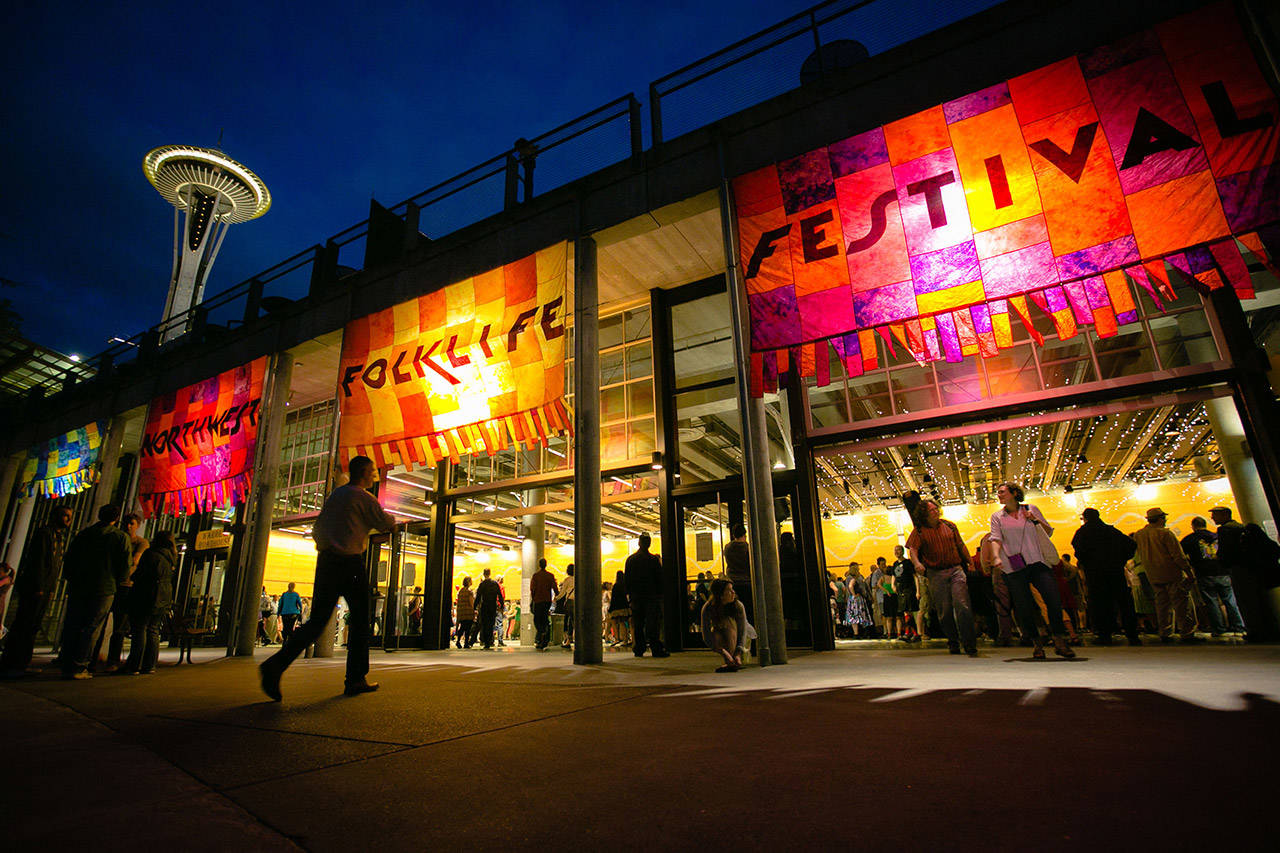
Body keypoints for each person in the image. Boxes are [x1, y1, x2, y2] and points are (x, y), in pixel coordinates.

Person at [259, 455, 396, 701]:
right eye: (372, 470)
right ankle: (355, 678)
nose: (375, 474)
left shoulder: (336, 497)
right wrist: (391, 524)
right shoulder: (364, 498)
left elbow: (317, 530)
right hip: (351, 562)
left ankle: (276, 665)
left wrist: (327, 546)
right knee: (361, 620)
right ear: (363, 473)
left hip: (327, 561)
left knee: (317, 620)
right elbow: (385, 522)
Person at [988, 483, 1075, 660]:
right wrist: (996, 557)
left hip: (1038, 562)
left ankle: (1059, 640)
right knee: (1024, 606)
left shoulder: (1031, 508)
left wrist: (1034, 519)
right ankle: (1037, 644)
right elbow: (995, 539)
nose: (999, 495)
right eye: (998, 493)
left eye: (1002, 492)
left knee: (1053, 600)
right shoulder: (997, 516)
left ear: (1014, 493)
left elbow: (1048, 532)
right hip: (1014, 566)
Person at [59, 504, 131, 679]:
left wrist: (71, 578)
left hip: (79, 585)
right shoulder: (120, 538)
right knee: (92, 627)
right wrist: (120, 580)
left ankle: (67, 663)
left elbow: (69, 559)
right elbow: (124, 566)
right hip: (104, 587)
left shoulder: (84, 534)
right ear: (116, 518)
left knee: (74, 624)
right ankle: (80, 665)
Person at [1, 505, 73, 677]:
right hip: (37, 587)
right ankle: (14, 663)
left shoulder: (58, 537)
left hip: (46, 586)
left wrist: (51, 588)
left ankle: (19, 662)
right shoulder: (45, 534)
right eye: (64, 515)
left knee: (32, 626)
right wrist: (39, 586)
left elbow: (54, 564)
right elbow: (38, 561)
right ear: (55, 516)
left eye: (69, 516)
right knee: (25, 624)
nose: (68, 520)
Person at [904, 492, 977, 657]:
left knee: (963, 605)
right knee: (944, 610)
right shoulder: (920, 532)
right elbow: (913, 550)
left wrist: (970, 562)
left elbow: (961, 545)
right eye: (931, 510)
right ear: (924, 514)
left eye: (936, 508)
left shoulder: (950, 526)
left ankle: (969, 643)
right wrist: (917, 563)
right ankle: (953, 641)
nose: (935, 511)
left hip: (956, 569)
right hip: (936, 574)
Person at [1131, 507, 1201, 644]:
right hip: (1171, 572)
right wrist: (1188, 571)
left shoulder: (1139, 535)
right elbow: (1178, 555)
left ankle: (1165, 631)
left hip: (1152, 574)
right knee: (1181, 603)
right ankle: (1187, 632)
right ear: (1161, 519)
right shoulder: (1165, 534)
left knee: (1162, 604)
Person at [1071, 507, 1140, 646]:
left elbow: (1078, 552)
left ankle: (1104, 634)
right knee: (1124, 603)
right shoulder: (1111, 531)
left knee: (1100, 604)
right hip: (1115, 570)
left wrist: (1087, 563)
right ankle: (1132, 633)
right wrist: (1121, 560)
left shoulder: (1082, 533)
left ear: (1085, 518)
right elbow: (1131, 545)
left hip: (1095, 573)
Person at [1210, 506, 1278, 642]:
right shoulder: (1241, 527)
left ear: (1224, 515)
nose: (1212, 518)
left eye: (1215, 515)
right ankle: (1268, 629)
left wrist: (1220, 561)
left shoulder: (1225, 530)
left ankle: (1255, 631)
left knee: (1246, 601)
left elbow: (1226, 553)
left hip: (1239, 570)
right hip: (1253, 569)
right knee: (1257, 600)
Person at [123, 530, 177, 675]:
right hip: (163, 597)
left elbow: (141, 574)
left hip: (147, 594)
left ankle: (134, 664)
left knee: (140, 629)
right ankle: (150, 664)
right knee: (153, 630)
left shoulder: (151, 554)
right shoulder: (171, 557)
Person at [1180, 516, 1244, 636]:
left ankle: (1219, 628)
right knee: (1230, 600)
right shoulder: (1217, 536)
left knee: (1211, 602)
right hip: (1223, 572)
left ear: (1193, 526)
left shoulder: (1190, 539)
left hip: (1204, 573)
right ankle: (1238, 626)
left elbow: (1181, 555)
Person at [100, 513, 146, 672]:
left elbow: (135, 561)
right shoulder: (116, 539)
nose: (128, 526)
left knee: (119, 626)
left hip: (125, 586)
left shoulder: (141, 543)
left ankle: (113, 660)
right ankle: (97, 657)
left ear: (138, 525)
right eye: (126, 523)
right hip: (113, 584)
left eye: (132, 523)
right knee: (102, 623)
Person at [625, 532, 668, 657]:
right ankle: (655, 648)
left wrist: (629, 596)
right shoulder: (653, 560)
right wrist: (660, 595)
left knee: (638, 623)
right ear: (649, 543)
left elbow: (627, 580)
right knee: (652, 623)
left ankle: (639, 648)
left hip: (637, 597)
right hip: (651, 597)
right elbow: (659, 579)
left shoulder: (631, 560)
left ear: (639, 543)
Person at [701, 579, 747, 672]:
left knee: (728, 626)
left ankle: (732, 661)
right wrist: (722, 651)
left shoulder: (737, 605)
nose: (733, 592)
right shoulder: (708, 607)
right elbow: (706, 635)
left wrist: (738, 653)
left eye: (732, 589)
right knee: (718, 630)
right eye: (729, 590)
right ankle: (729, 661)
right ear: (721, 595)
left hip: (737, 634)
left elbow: (743, 630)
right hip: (720, 632)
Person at [722, 523, 752, 623]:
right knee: (748, 611)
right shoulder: (747, 548)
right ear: (744, 534)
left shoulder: (727, 548)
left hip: (732, 583)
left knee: (735, 612)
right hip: (746, 582)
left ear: (734, 535)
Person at [891, 545, 921, 643]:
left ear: (902, 551)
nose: (896, 552)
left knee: (909, 611)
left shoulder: (908, 563)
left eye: (898, 550)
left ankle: (914, 633)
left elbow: (915, 577)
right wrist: (893, 585)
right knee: (905, 612)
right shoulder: (895, 564)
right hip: (900, 590)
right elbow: (893, 576)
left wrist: (918, 591)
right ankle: (909, 633)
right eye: (895, 550)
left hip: (909, 589)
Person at [530, 558, 558, 650]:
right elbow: (554, 588)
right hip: (547, 601)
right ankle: (544, 637)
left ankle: (541, 634)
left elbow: (532, 588)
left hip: (538, 601)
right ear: (546, 565)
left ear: (539, 565)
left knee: (537, 620)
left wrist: (533, 598)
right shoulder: (550, 576)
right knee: (545, 618)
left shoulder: (536, 576)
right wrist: (557, 596)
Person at [474, 569, 503, 649]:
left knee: (485, 624)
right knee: (491, 624)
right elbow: (499, 595)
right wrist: (501, 605)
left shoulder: (482, 584)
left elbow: (478, 597)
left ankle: (486, 642)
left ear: (483, 574)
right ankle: (490, 641)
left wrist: (474, 607)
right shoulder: (494, 584)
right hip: (492, 606)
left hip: (484, 606)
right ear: (490, 574)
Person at [844, 563, 873, 637]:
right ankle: (865, 632)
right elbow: (852, 586)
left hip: (852, 599)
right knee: (862, 615)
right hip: (858, 598)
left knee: (854, 616)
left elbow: (849, 587)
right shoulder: (857, 578)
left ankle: (856, 633)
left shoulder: (849, 578)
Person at [607, 571, 631, 648]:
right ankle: (627, 639)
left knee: (617, 623)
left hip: (617, 607)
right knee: (626, 623)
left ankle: (618, 638)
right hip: (625, 607)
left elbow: (614, 598)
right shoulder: (625, 585)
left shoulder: (616, 585)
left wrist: (610, 609)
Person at [556, 563, 575, 648]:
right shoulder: (579, 579)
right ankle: (574, 638)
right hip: (578, 602)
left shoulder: (567, 580)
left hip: (570, 602)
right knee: (575, 621)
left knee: (570, 621)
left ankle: (568, 640)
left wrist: (556, 598)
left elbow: (562, 592)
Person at [455, 576, 475, 648]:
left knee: (462, 627)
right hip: (468, 612)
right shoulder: (469, 592)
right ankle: (466, 643)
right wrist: (474, 610)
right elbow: (471, 602)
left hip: (462, 612)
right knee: (467, 628)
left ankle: (458, 641)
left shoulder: (460, 591)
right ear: (469, 582)